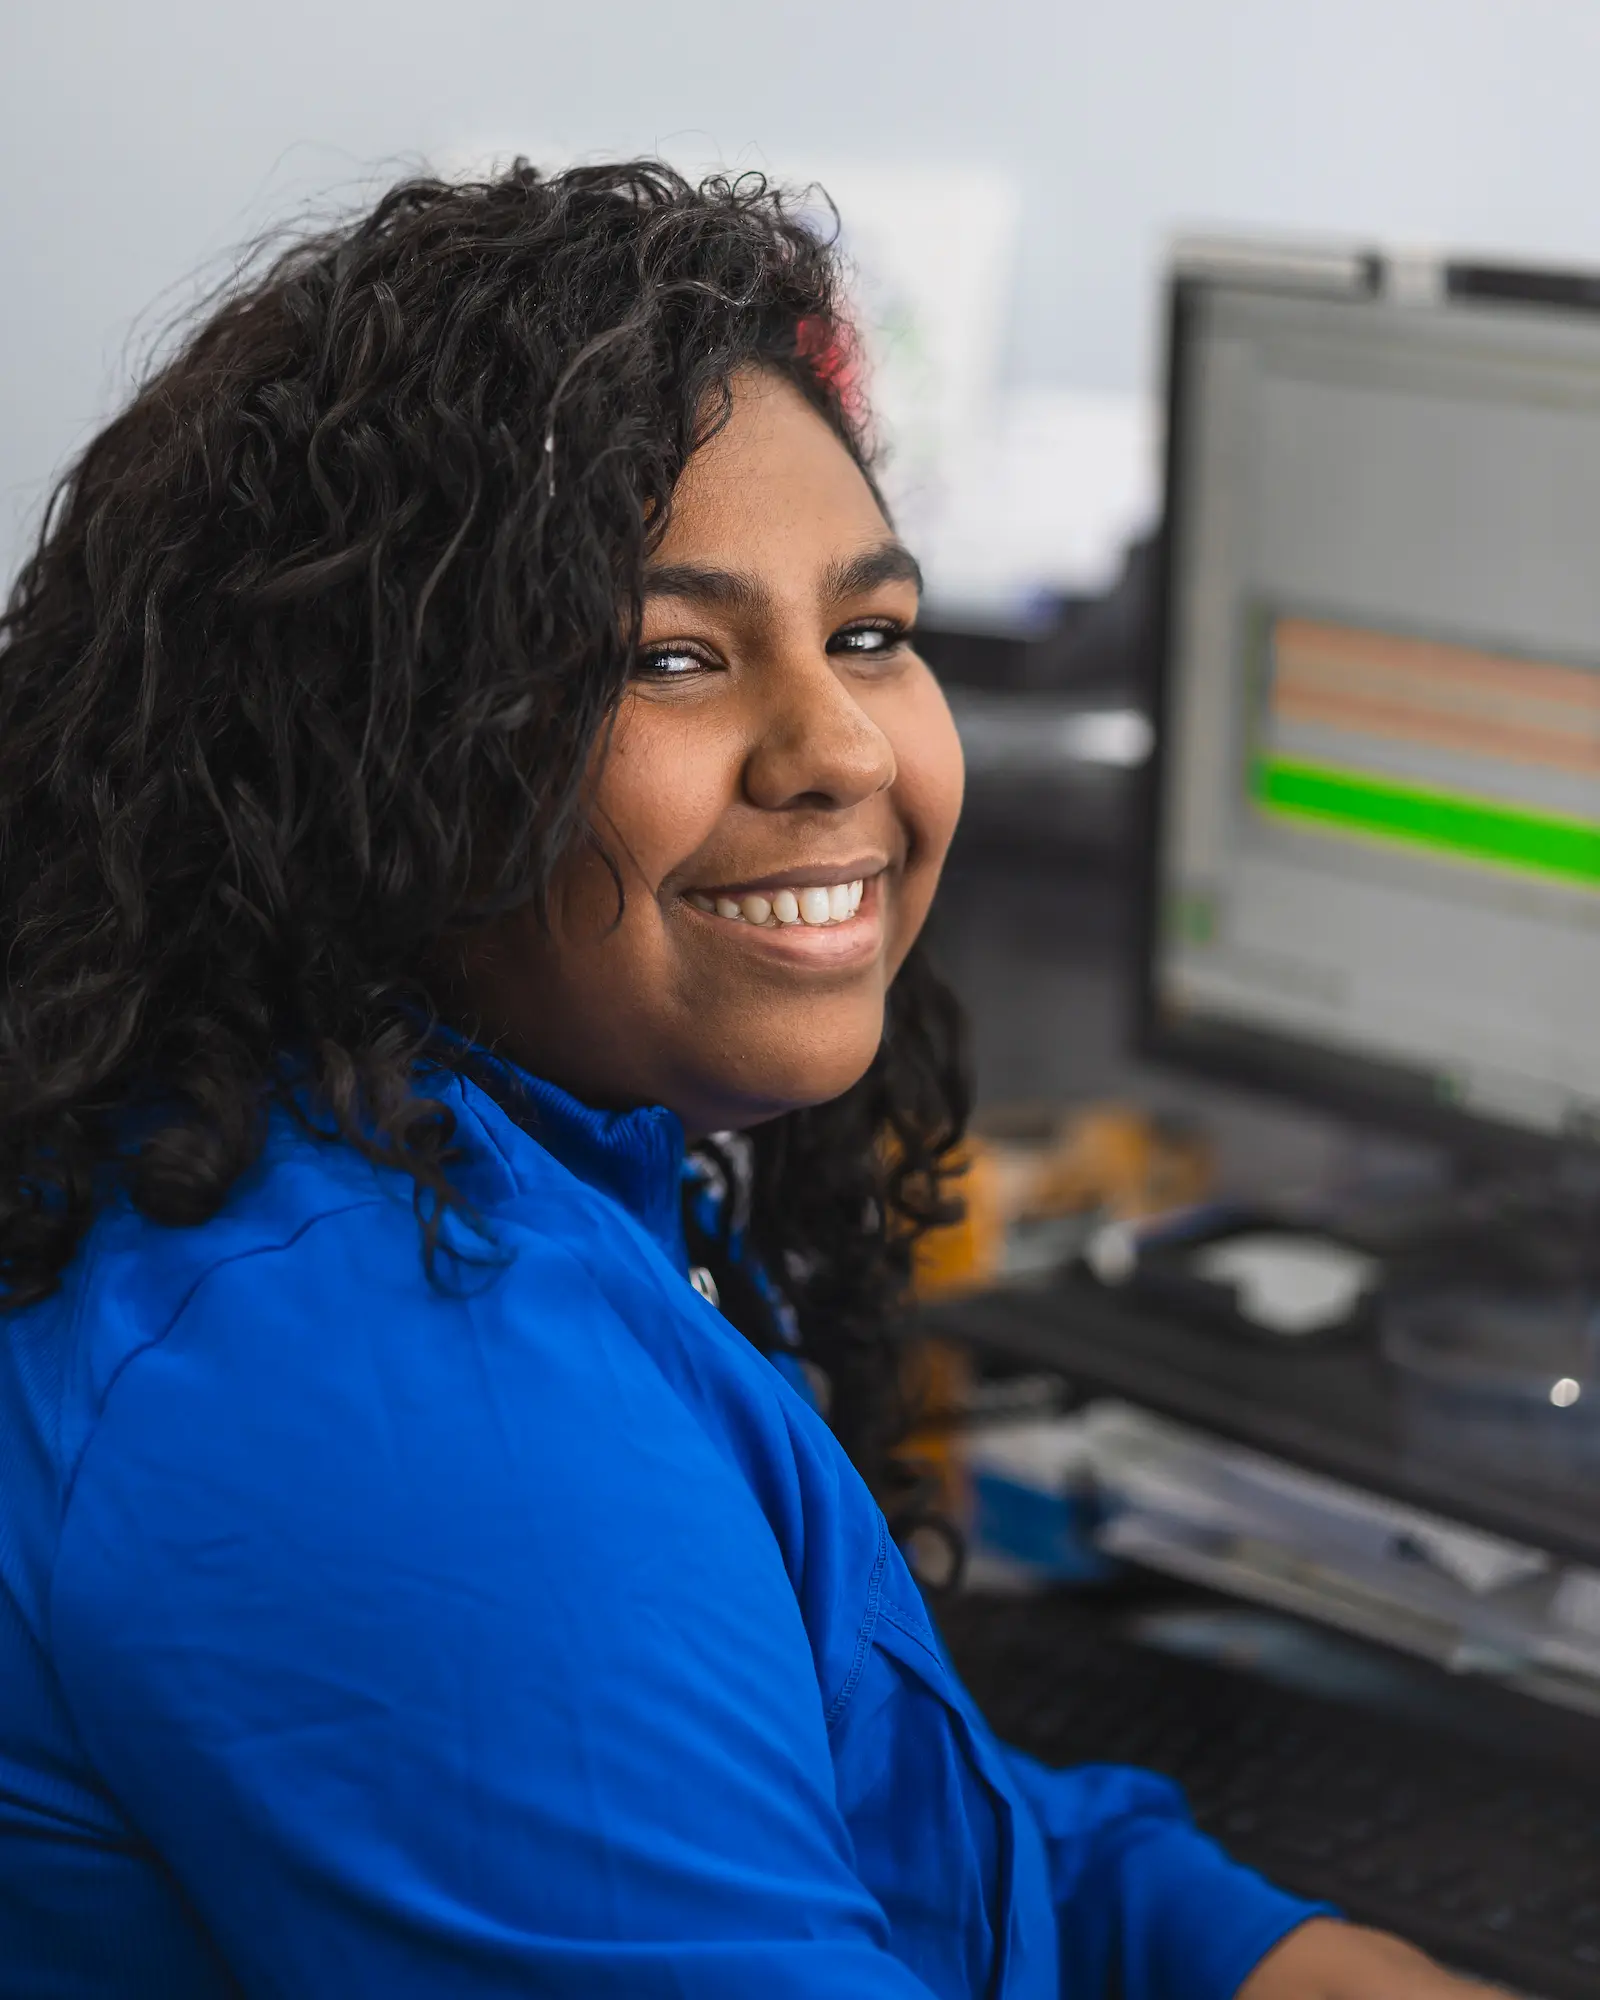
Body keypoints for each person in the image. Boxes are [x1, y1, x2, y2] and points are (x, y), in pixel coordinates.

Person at [0, 161, 1501, 1998]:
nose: (840, 742)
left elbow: (912, 1824)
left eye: (869, 631)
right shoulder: (400, 1387)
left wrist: (1269, 1958)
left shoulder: (508, 1153)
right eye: (674, 657)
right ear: (365, 751)